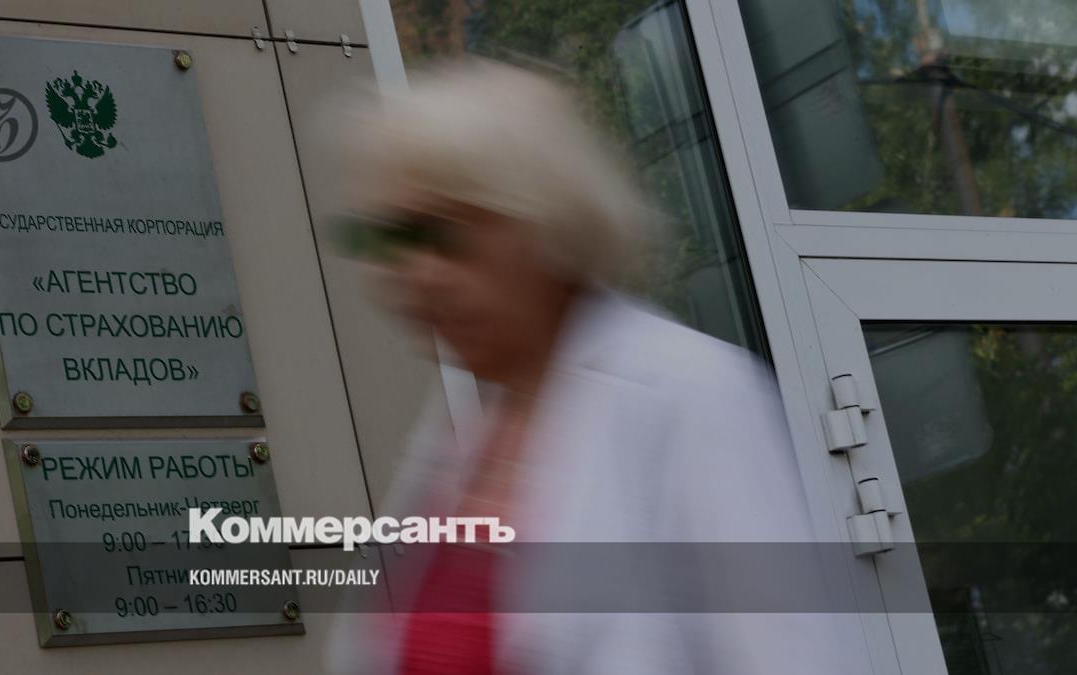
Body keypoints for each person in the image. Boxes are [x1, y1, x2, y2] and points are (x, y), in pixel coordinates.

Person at [325, 60, 854, 675]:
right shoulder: (466, 430)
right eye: (388, 243)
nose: (414, 276)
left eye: (444, 234)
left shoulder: (690, 393)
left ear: (545, 224)